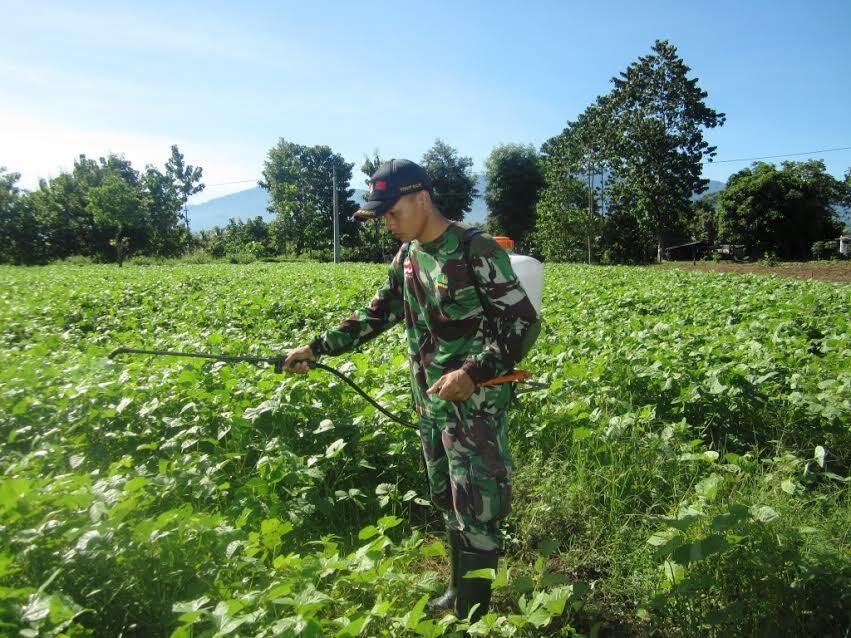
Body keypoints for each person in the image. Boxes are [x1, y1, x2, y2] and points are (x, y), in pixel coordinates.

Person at [283, 158, 540, 621]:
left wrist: (472, 372)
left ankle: (475, 613)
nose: (387, 222)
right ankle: (457, 591)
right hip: (430, 404)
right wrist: (317, 347)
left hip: (473, 404)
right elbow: (376, 314)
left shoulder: (474, 250)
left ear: (422, 198)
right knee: (446, 497)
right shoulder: (406, 257)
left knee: (477, 505)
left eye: (391, 211)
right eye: (380, 214)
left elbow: (521, 324)